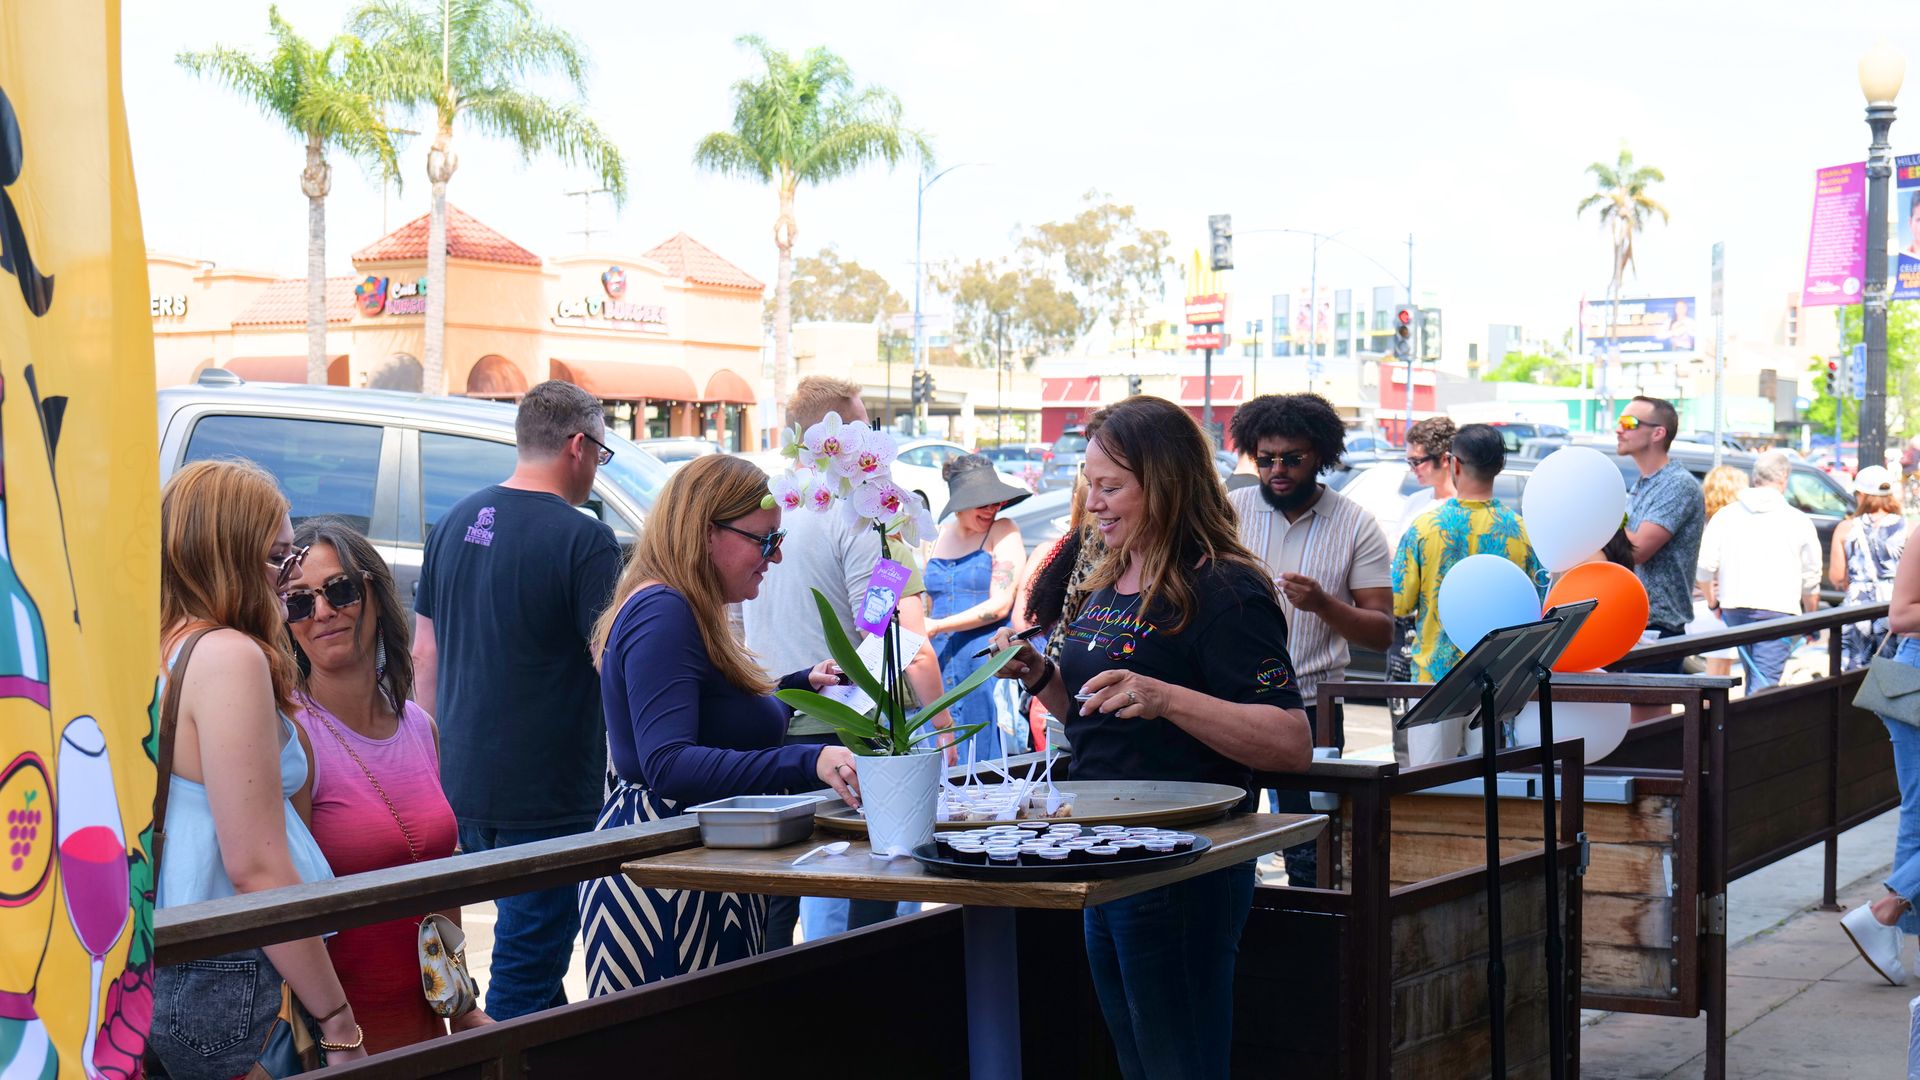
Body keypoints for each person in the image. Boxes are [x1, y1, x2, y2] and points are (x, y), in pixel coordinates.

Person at [989, 395, 1311, 1080]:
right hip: (1105, 850)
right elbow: (1095, 718)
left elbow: (1290, 742)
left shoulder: (1224, 588)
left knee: (1178, 1063)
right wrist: (1041, 673)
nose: (1093, 504)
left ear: (1163, 484)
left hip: (1184, 863)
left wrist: (1165, 697)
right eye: (1089, 485)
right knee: (1137, 1061)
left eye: (1111, 488)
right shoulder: (1111, 576)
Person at [576, 454, 861, 994]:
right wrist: (811, 760)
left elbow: (713, 722)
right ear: (707, 532)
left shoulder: (679, 606)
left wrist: (798, 686)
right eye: (766, 541)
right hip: (667, 877)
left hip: (689, 864)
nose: (774, 559)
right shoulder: (665, 609)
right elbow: (670, 763)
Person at [410, 380, 623, 1020]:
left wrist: (432, 765)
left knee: (535, 957)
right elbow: (607, 662)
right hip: (549, 794)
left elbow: (425, 655)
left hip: (462, 783)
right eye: (603, 454)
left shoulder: (452, 523)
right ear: (578, 446)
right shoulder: (585, 539)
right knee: (525, 978)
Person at [151, 460, 367, 1075]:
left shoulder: (161, 644)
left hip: (175, 955)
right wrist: (337, 1020)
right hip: (235, 965)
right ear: (230, 557)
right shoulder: (228, 656)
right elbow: (257, 871)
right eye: (278, 558)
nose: (288, 578)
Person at [741, 375, 952, 946]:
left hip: (766, 723)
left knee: (780, 899)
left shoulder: (772, 502)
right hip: (846, 731)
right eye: (868, 426)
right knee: (856, 888)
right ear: (843, 432)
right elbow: (891, 634)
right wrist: (945, 729)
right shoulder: (866, 514)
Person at [285, 516, 492, 1052]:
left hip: (424, 1029)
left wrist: (462, 1005)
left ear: (374, 593)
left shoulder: (419, 726)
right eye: (299, 601)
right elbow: (288, 908)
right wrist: (337, 1035)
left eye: (340, 590)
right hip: (341, 1041)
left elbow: (443, 883)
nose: (323, 612)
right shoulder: (291, 739)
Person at [1226, 394, 1393, 886]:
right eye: (1266, 459)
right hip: (1229, 704)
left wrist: (1324, 604)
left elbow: (1382, 632)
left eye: (1292, 459)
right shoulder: (1230, 512)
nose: (1277, 469)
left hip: (1312, 709)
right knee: (1228, 847)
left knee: (1310, 853)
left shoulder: (1354, 522)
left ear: (1319, 455)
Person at [1392, 424, 1549, 764]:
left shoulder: (1424, 528)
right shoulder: (1522, 532)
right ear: (1500, 467)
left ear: (1454, 464)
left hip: (1435, 677)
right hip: (1498, 679)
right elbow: (1537, 600)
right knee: (1491, 786)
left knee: (1429, 787)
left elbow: (1400, 602)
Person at [1838, 526, 1920, 985]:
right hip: (1915, 682)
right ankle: (1885, 910)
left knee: (1917, 818)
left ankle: (1898, 928)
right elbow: (1901, 616)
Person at [924, 454, 1030, 766]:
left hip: (983, 663)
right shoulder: (937, 534)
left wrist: (936, 626)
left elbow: (1000, 605)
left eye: (995, 501)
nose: (991, 509)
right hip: (938, 661)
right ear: (959, 501)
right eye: (981, 502)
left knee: (984, 756)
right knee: (941, 757)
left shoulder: (1003, 530)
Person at [1695, 451, 1822, 692]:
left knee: (1755, 677)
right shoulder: (1798, 520)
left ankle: (1744, 725)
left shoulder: (1725, 516)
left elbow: (1704, 568)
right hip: (1779, 611)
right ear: (1784, 477)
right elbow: (1810, 579)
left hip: (1734, 608)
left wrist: (1714, 602)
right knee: (1765, 683)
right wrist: (1811, 617)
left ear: (1755, 478)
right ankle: (1753, 728)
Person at [1618, 396, 1706, 675]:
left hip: (1656, 627)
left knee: (1649, 719)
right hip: (1630, 623)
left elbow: (1637, 550)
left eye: (1629, 423)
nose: (1619, 429)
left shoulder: (1678, 484)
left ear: (1658, 433)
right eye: (1619, 422)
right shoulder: (1644, 484)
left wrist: (1597, 518)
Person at [1830, 465, 1909, 670]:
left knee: (1853, 671)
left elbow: (1837, 577)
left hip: (1858, 605)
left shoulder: (1846, 528)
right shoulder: (1909, 528)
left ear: (1862, 495)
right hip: (1894, 604)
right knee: (1891, 670)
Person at [1686, 465, 1750, 678]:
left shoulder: (1699, 522)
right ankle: (1709, 712)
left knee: (1719, 669)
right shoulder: (1732, 525)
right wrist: (1714, 601)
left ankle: (1710, 710)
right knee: (1719, 672)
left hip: (1696, 603)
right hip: (1717, 604)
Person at [1395, 416, 1458, 542]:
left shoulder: (1465, 506)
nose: (1412, 469)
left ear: (1444, 459)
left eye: (1416, 461)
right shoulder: (1414, 501)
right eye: (1409, 462)